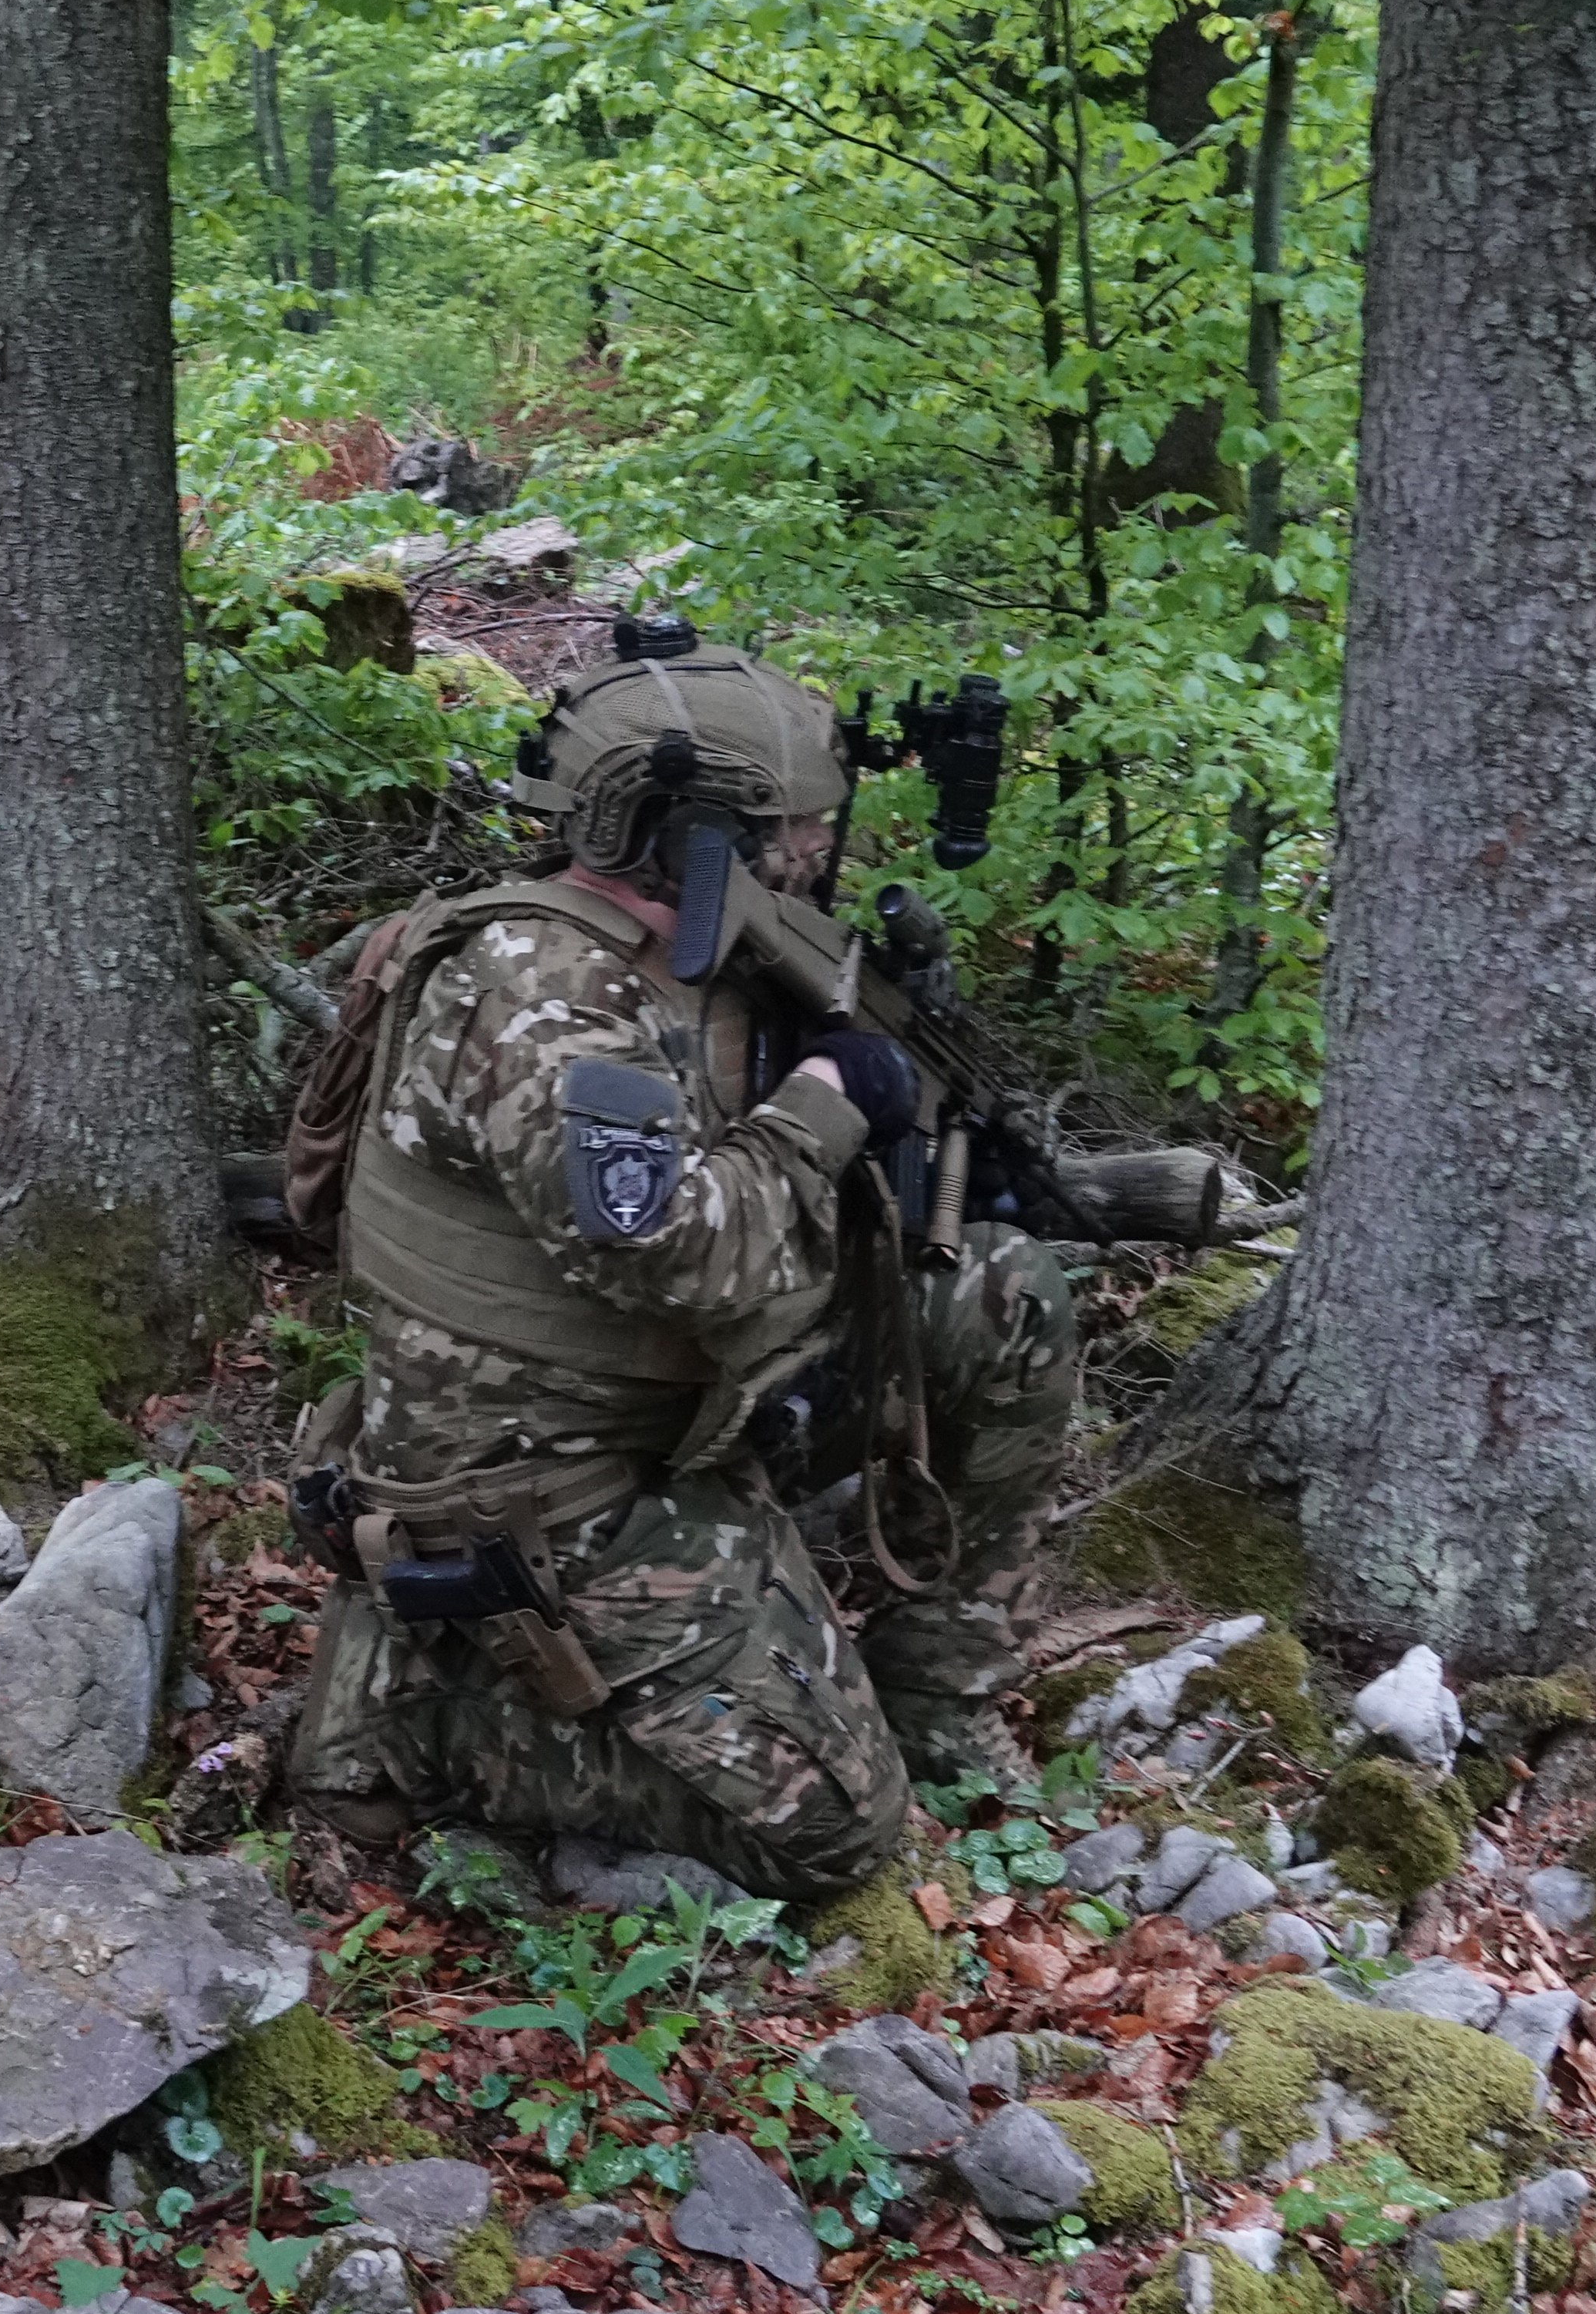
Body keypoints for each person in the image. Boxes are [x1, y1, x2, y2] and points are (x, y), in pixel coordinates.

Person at [285, 631, 1079, 1899]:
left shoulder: (694, 964)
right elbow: (687, 1260)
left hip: (668, 1407)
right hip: (541, 1485)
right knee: (838, 1832)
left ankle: (937, 1692)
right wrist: (828, 1102)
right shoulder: (543, 993)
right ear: (698, 837)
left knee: (1004, 1297)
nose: (817, 850)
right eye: (797, 829)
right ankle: (433, 1726)